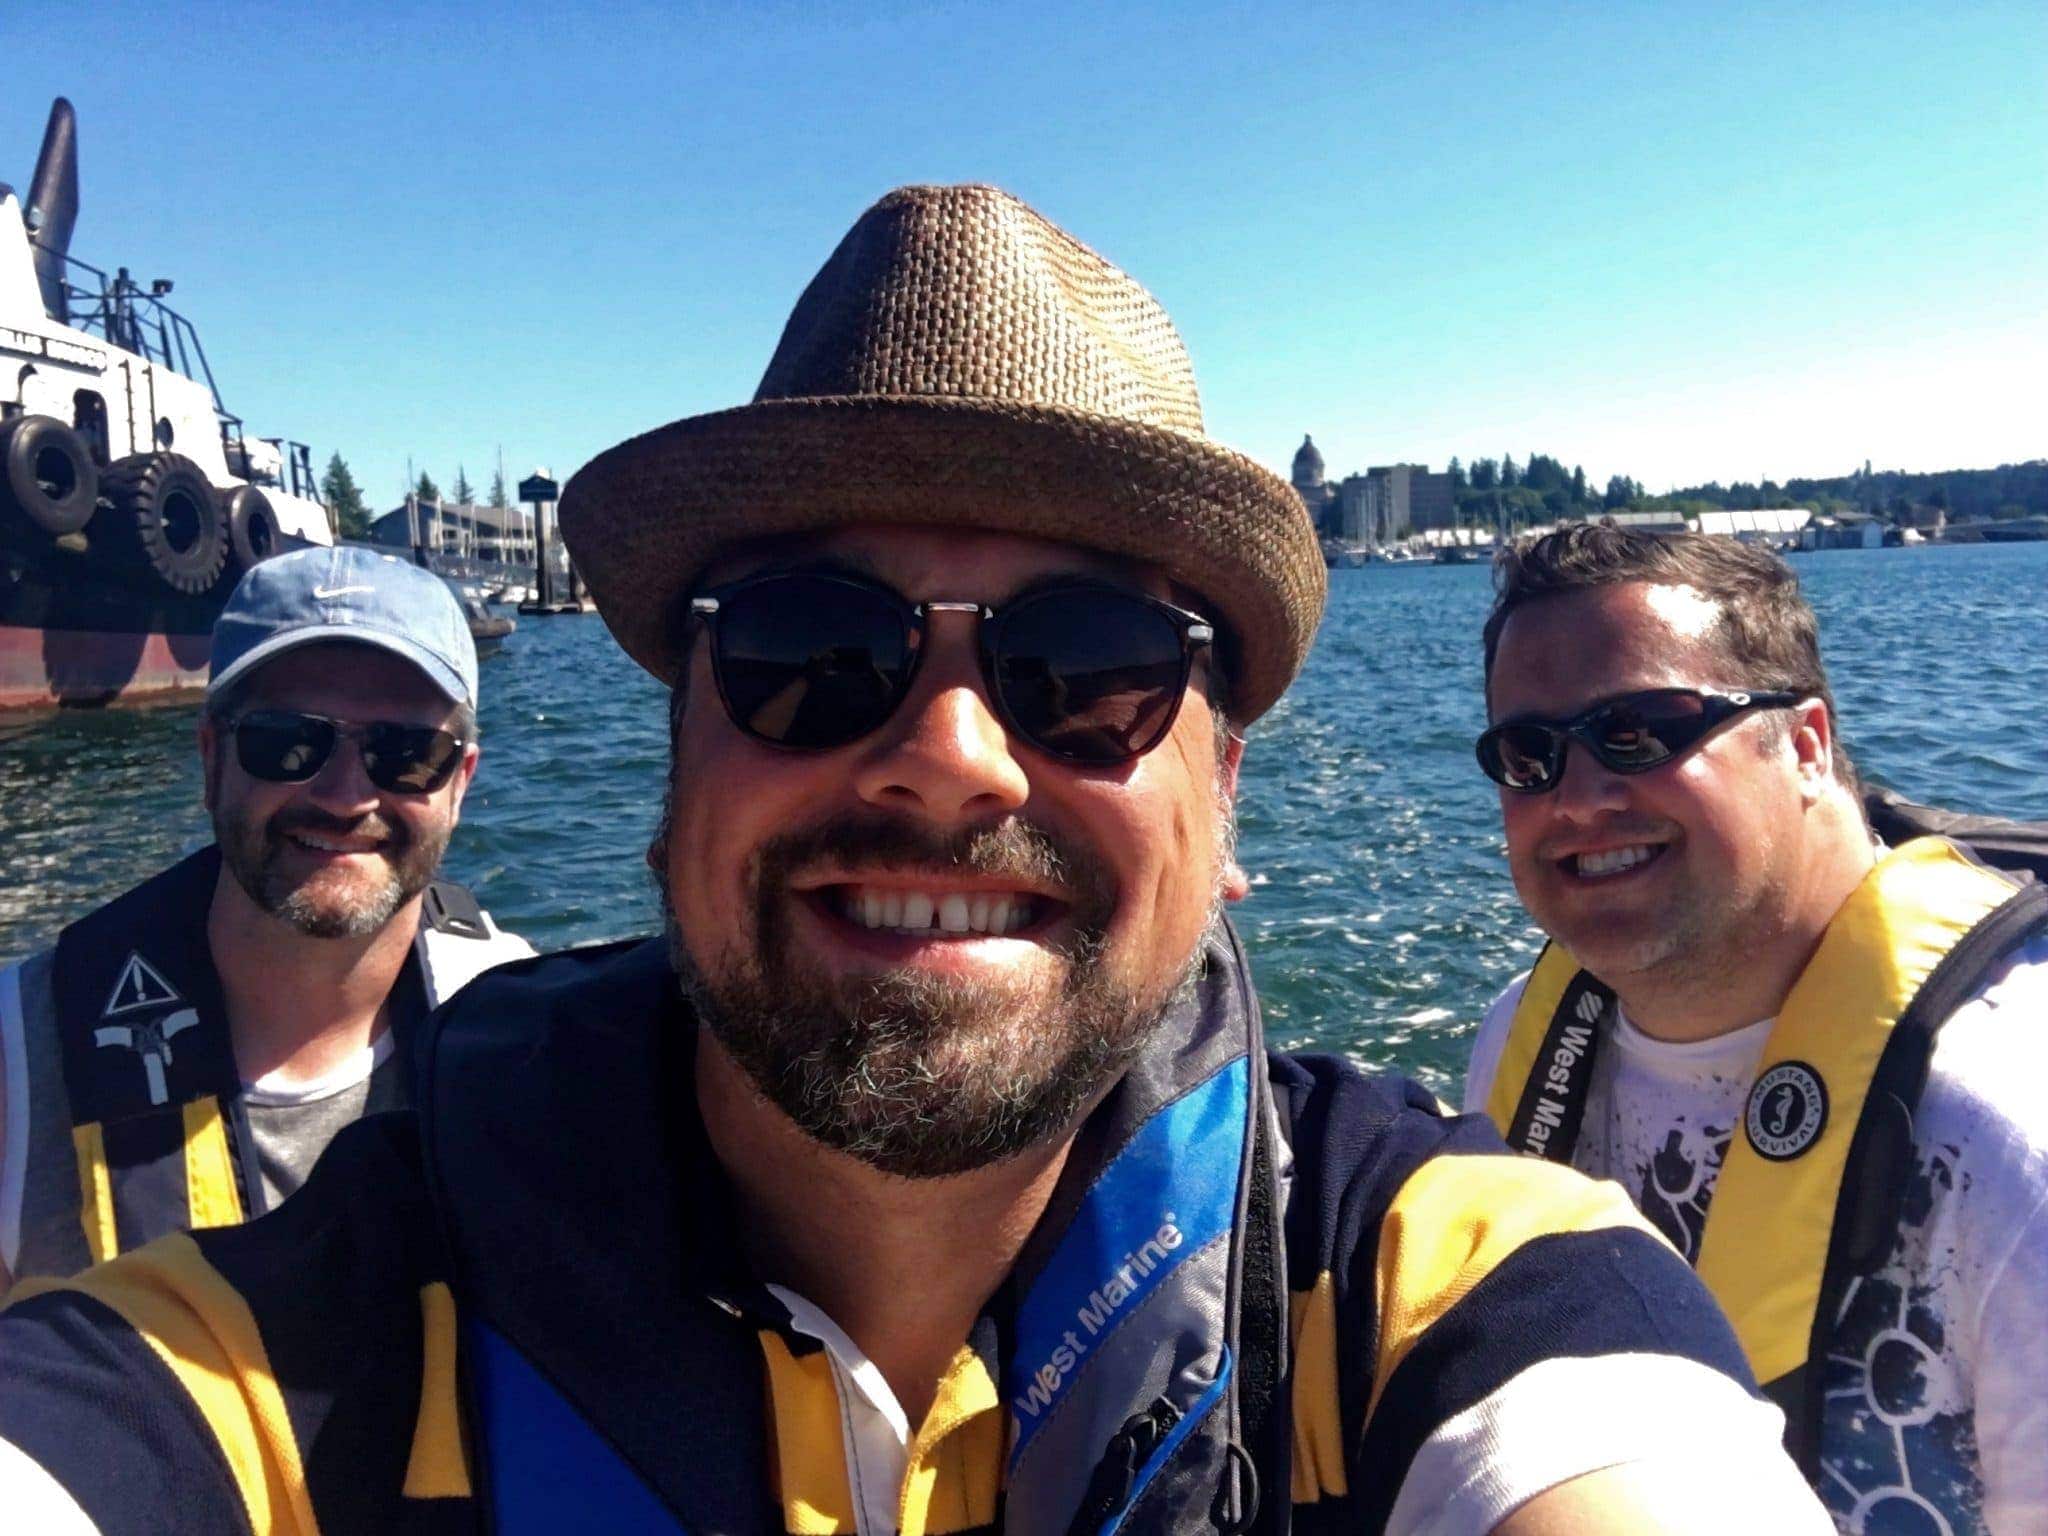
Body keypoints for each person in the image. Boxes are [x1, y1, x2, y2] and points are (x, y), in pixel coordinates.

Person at [0, 187, 1827, 1534]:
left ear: (1226, 796)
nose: (949, 755)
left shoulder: (1441, 1287)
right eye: (810, 648)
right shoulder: (297, 1336)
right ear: (677, 752)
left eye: (1090, 666)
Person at [1463, 526, 2048, 1534]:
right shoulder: (1517, 1042)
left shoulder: (2004, 1123)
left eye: (1640, 730)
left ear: (1807, 745)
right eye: (1529, 756)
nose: (1578, 798)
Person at [0, 545, 531, 1288]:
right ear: (212, 760)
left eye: (406, 752)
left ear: (460, 782)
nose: (346, 797)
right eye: (287, 743)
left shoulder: (524, 1027)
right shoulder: (22, 1060)